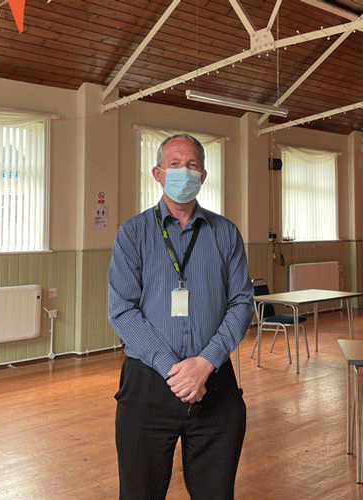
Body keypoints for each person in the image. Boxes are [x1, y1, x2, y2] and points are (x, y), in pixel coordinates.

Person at [108, 133, 254, 500]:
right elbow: (122, 309)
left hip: (215, 383)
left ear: (203, 175)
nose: (183, 172)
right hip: (148, 387)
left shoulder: (227, 234)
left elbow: (241, 302)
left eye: (192, 165)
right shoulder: (132, 234)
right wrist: (175, 370)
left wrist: (205, 363)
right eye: (174, 164)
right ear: (158, 174)